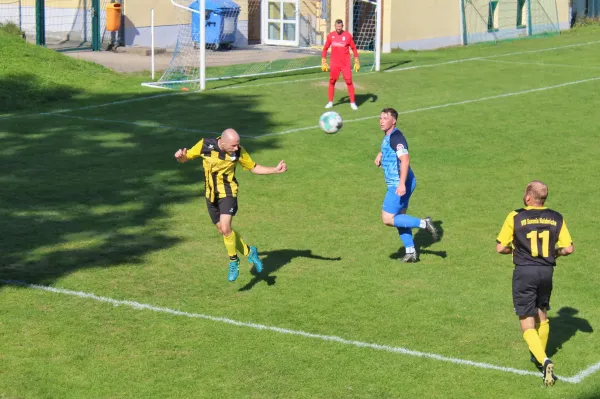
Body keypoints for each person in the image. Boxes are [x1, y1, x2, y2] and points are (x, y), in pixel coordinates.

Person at [174, 128, 287, 282]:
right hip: (210, 195)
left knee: (226, 228)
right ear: (223, 141)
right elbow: (185, 158)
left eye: (237, 145)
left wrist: (274, 170)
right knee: (223, 231)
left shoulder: (238, 151)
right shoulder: (205, 144)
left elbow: (253, 167)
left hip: (228, 193)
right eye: (233, 145)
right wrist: (180, 157)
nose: (236, 148)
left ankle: (233, 261)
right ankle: (250, 252)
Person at [496, 180, 574, 386]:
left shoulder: (516, 216)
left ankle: (544, 359)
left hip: (524, 272)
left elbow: (500, 248)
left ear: (529, 197)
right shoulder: (557, 217)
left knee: (526, 321)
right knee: (542, 314)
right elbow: (568, 249)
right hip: (546, 271)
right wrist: (553, 253)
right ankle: (539, 357)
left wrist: (515, 250)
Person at [375, 108, 438, 262]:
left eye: (385, 118)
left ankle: (424, 223)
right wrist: (381, 154)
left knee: (388, 218)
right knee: (400, 218)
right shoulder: (389, 136)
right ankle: (411, 252)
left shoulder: (397, 137)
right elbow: (389, 147)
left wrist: (401, 184)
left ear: (394, 121)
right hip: (403, 181)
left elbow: (405, 159)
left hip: (398, 183)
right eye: (381, 118)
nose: (381, 121)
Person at [321, 19, 360, 110]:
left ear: (342, 26)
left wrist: (356, 59)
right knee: (332, 81)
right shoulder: (331, 36)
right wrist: (323, 60)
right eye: (337, 26)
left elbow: (354, 48)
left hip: (345, 64)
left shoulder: (347, 36)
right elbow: (325, 48)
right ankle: (330, 102)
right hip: (335, 63)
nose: (338, 28)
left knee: (349, 81)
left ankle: (352, 103)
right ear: (335, 26)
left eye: (340, 26)